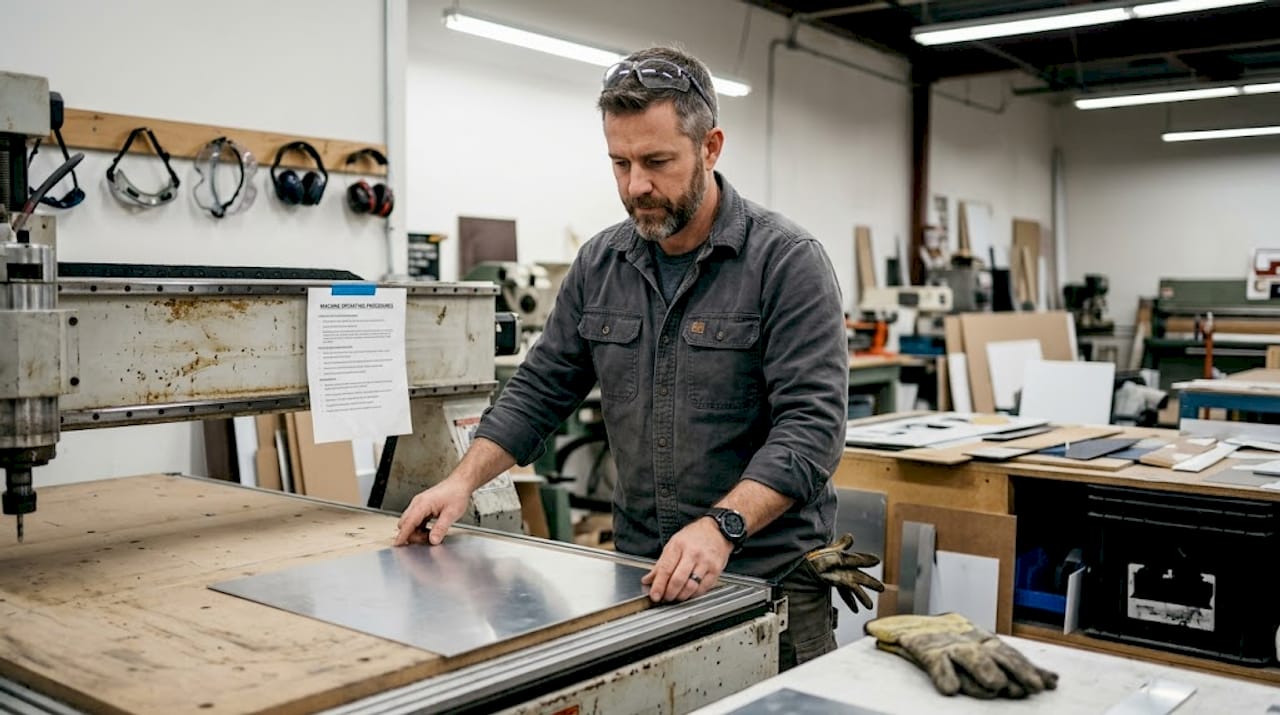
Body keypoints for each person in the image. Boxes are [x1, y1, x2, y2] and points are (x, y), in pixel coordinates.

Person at [395, 46, 863, 670]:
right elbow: (540, 389)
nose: (635, 185)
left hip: (768, 586)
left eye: (657, 162)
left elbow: (811, 433)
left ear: (711, 147)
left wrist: (720, 527)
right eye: (619, 163)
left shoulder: (786, 262)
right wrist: (461, 481)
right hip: (646, 577)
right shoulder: (601, 263)